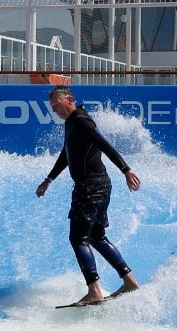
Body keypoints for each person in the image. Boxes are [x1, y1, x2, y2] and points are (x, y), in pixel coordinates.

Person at [35, 86, 142, 306]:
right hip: (96, 186)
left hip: (91, 188)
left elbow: (105, 144)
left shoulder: (82, 120)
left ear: (70, 100)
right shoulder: (71, 122)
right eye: (52, 106)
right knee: (96, 236)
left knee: (78, 238)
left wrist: (126, 169)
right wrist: (49, 179)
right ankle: (129, 281)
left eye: (57, 105)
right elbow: (67, 154)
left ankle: (94, 291)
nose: (54, 110)